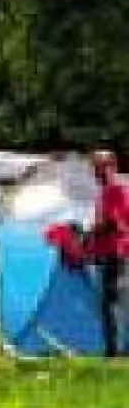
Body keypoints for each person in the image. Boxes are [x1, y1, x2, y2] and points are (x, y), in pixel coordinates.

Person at [88, 150, 129, 357]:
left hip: (117, 251)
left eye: (100, 168)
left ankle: (116, 351)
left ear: (112, 166)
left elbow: (116, 223)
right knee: (110, 301)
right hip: (107, 250)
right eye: (95, 168)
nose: (96, 173)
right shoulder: (105, 191)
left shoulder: (118, 189)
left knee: (113, 300)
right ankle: (114, 348)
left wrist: (95, 230)